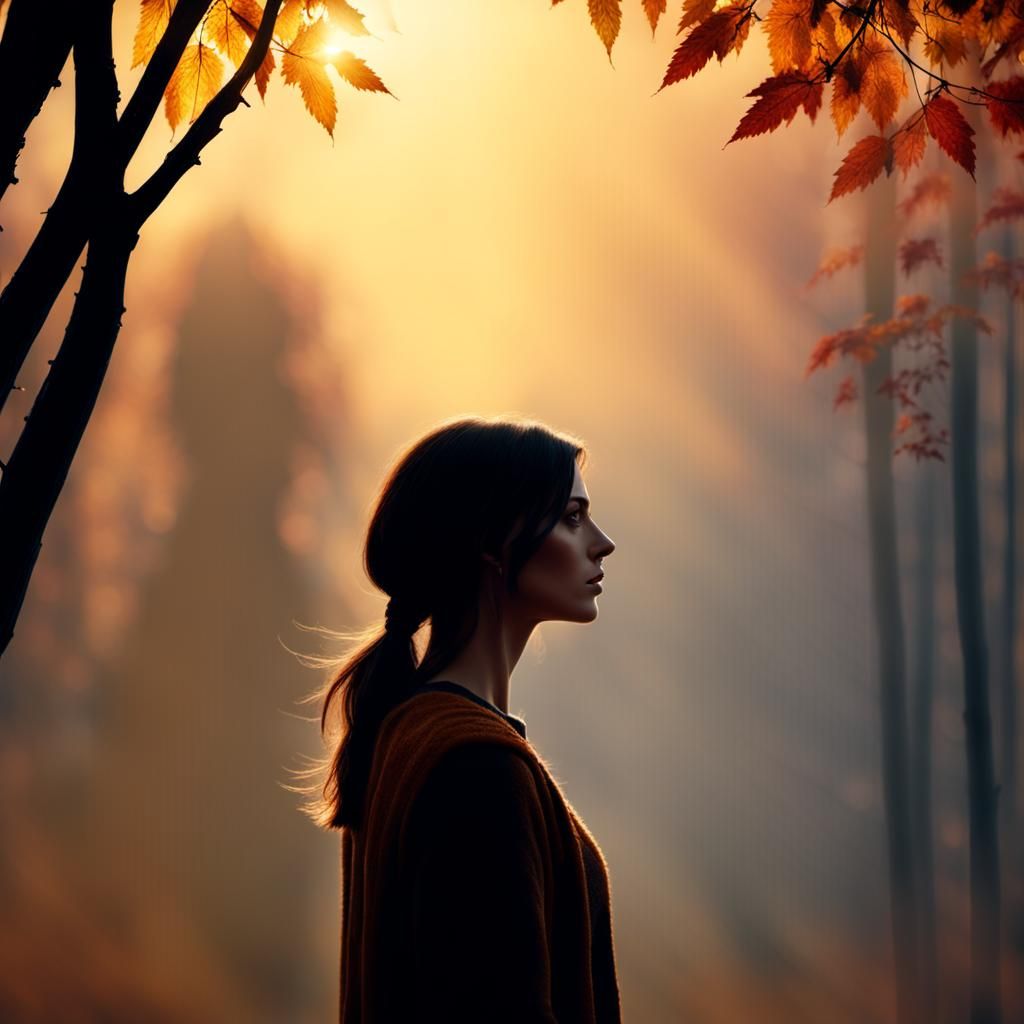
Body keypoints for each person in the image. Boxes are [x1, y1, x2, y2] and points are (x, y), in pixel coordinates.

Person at [298, 415, 620, 1023]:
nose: (601, 542)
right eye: (572, 518)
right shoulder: (477, 768)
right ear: (494, 543)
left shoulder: (411, 732)